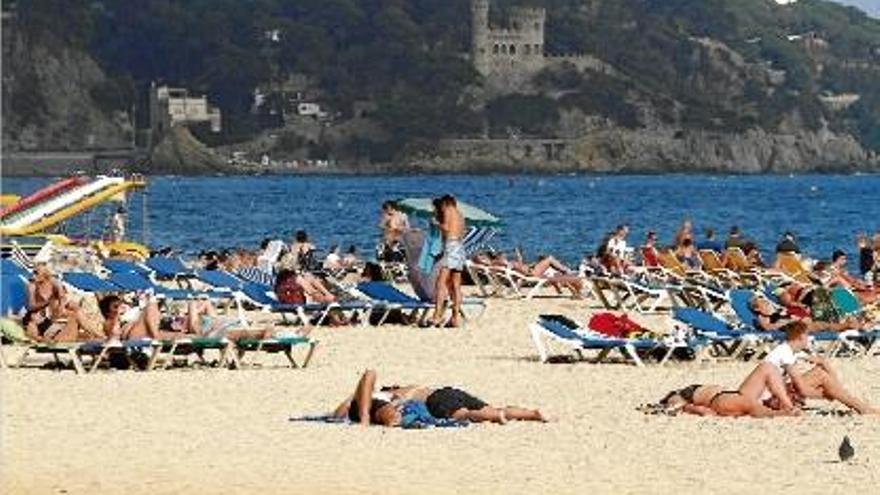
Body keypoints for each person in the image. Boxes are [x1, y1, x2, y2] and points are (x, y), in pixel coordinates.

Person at [333, 369, 546, 427]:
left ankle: (496, 416)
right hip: (452, 390)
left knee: (465, 414)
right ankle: (531, 413)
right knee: (492, 408)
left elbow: (340, 412)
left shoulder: (395, 394)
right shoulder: (410, 388)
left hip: (440, 399)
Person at [762, 321, 879, 414]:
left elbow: (822, 362)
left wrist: (836, 390)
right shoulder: (785, 353)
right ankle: (862, 408)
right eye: (807, 335)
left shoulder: (790, 350)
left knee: (820, 372)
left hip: (777, 394)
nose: (809, 339)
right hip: (772, 400)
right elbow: (803, 389)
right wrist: (829, 395)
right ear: (800, 337)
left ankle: (857, 405)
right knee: (821, 376)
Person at [657, 362, 800, 418]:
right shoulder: (680, 397)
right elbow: (701, 411)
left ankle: (787, 406)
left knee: (767, 367)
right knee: (750, 404)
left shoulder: (684, 396)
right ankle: (784, 411)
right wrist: (690, 408)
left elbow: (699, 410)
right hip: (719, 400)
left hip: (727, 397)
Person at [24, 264, 98, 342]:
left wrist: (61, 307)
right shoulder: (32, 286)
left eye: (36, 273)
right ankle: (96, 334)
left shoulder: (53, 281)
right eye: (33, 272)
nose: (33, 275)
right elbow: (31, 306)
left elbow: (62, 297)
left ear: (45, 275)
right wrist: (48, 302)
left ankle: (96, 333)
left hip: (54, 310)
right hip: (45, 311)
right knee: (74, 316)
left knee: (74, 308)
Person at [430, 195, 466, 328]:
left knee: (441, 282)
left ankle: (437, 315)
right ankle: (455, 317)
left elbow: (446, 228)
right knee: (455, 284)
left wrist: (436, 223)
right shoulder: (460, 215)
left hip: (451, 246)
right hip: (460, 247)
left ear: (445, 203)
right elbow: (462, 232)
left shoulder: (448, 211)